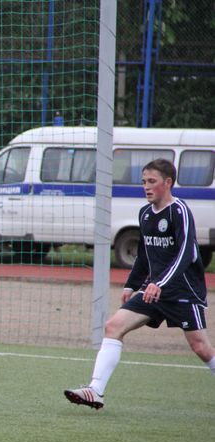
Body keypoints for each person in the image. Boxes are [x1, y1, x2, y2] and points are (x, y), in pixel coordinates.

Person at [65, 158, 215, 408]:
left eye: (152, 181)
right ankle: (95, 390)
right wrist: (131, 285)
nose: (146, 186)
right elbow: (145, 255)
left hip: (183, 291)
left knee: (200, 347)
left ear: (168, 182)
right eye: (144, 181)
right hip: (152, 291)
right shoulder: (145, 214)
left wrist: (161, 282)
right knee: (113, 327)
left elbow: (186, 254)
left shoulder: (179, 211)